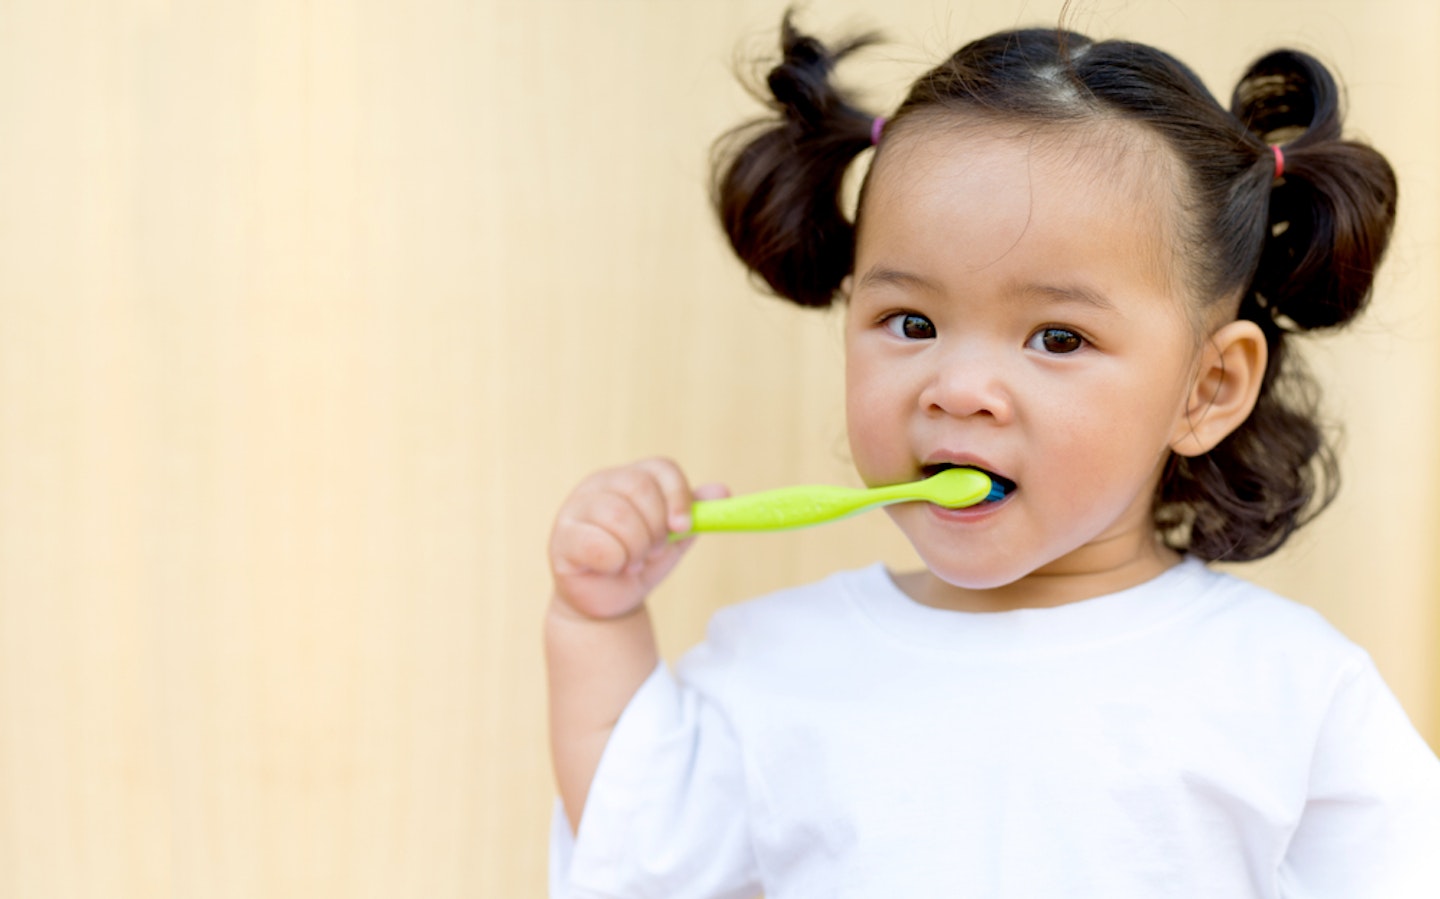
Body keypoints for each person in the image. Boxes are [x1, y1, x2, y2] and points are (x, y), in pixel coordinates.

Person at [545, 12, 1440, 898]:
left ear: (1206, 387)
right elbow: (641, 850)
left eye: (1056, 337)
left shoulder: (1288, 686)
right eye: (912, 324)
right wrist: (598, 623)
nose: (958, 386)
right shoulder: (778, 659)